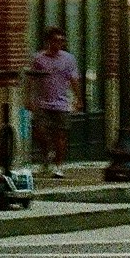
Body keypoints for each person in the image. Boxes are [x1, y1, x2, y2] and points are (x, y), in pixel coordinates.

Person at [25, 26, 81, 176]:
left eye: (62, 41)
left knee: (60, 135)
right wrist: (28, 98)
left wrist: (78, 98)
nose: (59, 44)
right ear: (48, 41)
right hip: (42, 102)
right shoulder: (38, 59)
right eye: (55, 41)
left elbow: (74, 79)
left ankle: (58, 167)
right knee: (38, 131)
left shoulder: (69, 59)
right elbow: (31, 79)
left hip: (62, 103)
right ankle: (47, 153)